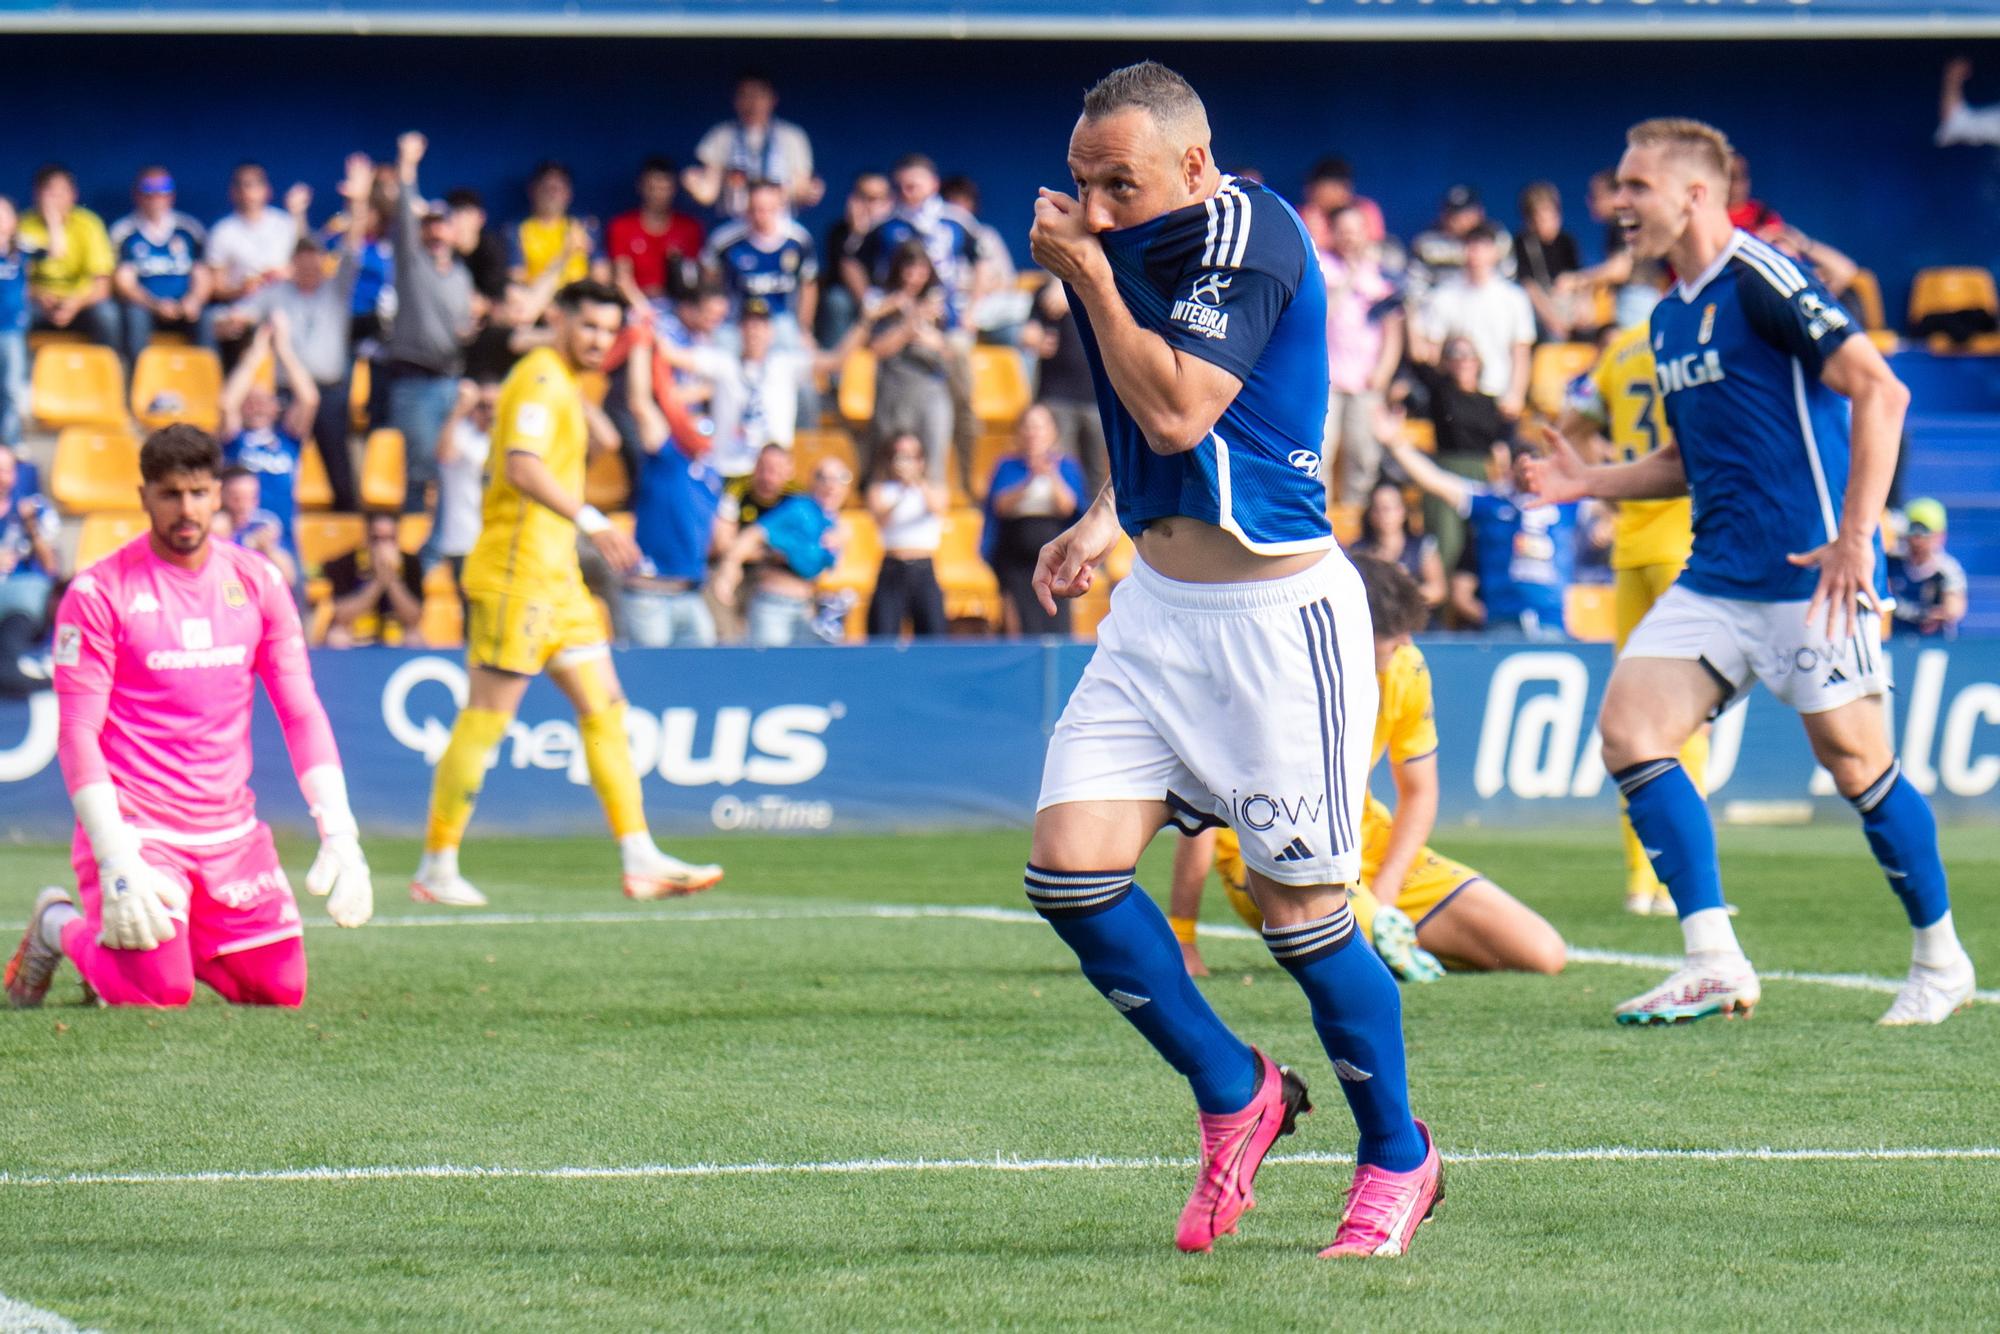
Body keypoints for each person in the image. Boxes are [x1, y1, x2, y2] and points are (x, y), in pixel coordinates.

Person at [1023, 61, 1439, 1260]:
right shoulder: (1121, 243)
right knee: (1069, 873)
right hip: (1155, 612)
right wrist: (1105, 515)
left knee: (1300, 916)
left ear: (1194, 165)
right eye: (1082, 183)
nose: (1094, 207)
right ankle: (1234, 1087)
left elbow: (1177, 410)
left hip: (1275, 621)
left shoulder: (1249, 234)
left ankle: (1396, 1155)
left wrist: (1086, 274)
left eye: (1120, 183)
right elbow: (1162, 424)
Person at [1523, 117, 1977, 1026]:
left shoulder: (1764, 277)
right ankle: (1713, 960)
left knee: (1858, 766)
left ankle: (1941, 959)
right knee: (1630, 731)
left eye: (1636, 187)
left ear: (1697, 194)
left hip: (1812, 574)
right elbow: (1689, 462)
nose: (1618, 204)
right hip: (1716, 577)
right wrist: (1588, 482)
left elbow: (1881, 389)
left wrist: (1857, 538)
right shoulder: (1667, 317)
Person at [4, 425, 373, 1011]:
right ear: (144, 496)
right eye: (171, 494)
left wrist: (341, 833)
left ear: (217, 494)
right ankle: (57, 925)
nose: (187, 509)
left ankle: (173, 939)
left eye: (199, 492)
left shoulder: (257, 581)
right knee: (159, 992)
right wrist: (114, 853)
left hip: (231, 834)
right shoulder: (100, 592)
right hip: (140, 833)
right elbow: (77, 733)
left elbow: (301, 711)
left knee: (280, 990)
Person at [412, 280, 722, 907]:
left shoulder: (562, 383)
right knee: (486, 718)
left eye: (609, 331)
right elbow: (522, 465)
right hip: (516, 576)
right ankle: (436, 867)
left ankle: (640, 856)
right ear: (559, 320)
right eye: (589, 327)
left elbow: (602, 443)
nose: (599, 341)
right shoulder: (539, 379)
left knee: (606, 709)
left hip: (558, 581)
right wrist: (594, 521)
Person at [1179, 555, 1566, 978]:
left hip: (1367, 849)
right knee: (1364, 944)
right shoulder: (1274, 679)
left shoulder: (1406, 667)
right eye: (1393, 636)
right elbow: (1207, 809)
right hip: (1271, 854)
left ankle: (1378, 933)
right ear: (1353, 628)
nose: (1406, 643)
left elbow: (1420, 792)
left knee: (1542, 952)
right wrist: (1183, 937)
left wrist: (1386, 891)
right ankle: (1368, 934)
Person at [1560, 319, 1704, 917]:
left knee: (1633, 720)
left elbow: (1570, 427)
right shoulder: (1690, 339)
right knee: (1686, 724)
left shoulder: (1619, 352)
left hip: (1631, 548)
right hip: (1685, 540)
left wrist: (1606, 484)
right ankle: (1681, 884)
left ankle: (1639, 882)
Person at [1388, 426, 1574, 639]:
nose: (1528, 473)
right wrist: (1395, 443)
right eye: (1522, 466)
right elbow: (1435, 481)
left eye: (1535, 466)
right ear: (1511, 467)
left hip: (1551, 622)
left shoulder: (1565, 501)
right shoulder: (1492, 501)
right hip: (1503, 621)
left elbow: (1598, 489)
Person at [382, 133, 475, 516]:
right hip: (414, 383)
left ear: (453, 231)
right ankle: (415, 544)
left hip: (450, 381)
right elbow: (404, 213)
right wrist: (408, 164)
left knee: (453, 469)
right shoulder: (412, 263)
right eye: (429, 226)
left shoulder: (462, 276)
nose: (435, 232)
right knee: (419, 472)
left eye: (442, 225)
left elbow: (462, 326)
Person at [622, 329, 725, 648]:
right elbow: (640, 403)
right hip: (650, 593)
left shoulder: (714, 473)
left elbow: (716, 538)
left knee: (705, 668)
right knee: (652, 674)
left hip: (689, 592)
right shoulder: (668, 453)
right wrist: (640, 346)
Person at [1395, 335, 1513, 573]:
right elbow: (1416, 358)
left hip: (1481, 474)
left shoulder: (1490, 402)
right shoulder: (1441, 392)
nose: (1462, 360)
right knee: (1446, 542)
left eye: (1467, 354)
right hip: (1446, 471)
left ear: (1477, 361)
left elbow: (1501, 446)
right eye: (1454, 354)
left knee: (1479, 542)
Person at [712, 459, 852, 647]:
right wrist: (729, 568)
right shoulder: (799, 509)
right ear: (813, 482)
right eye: (824, 478)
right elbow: (754, 534)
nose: (831, 486)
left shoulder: (832, 522)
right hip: (774, 606)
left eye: (840, 479)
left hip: (804, 608)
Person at [1319, 203, 1402, 505]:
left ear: (1366, 233)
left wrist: (1384, 371)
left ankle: (1357, 519)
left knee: (1363, 455)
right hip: (1326, 380)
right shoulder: (1321, 266)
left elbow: (1393, 329)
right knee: (1321, 453)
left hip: (1366, 381)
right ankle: (1318, 517)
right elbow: (1322, 315)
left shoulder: (1382, 274)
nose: (1349, 237)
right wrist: (1349, 279)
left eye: (1355, 231)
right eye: (1342, 231)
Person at [1411, 223, 1534, 419]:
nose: (1475, 253)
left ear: (1495, 252)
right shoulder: (1443, 296)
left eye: (1482, 246)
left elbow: (1521, 353)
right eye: (1470, 245)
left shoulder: (1515, 298)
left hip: (1499, 396)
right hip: (1456, 401)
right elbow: (1433, 354)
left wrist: (1516, 395)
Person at [982, 403, 1085, 636]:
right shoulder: (1007, 466)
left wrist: (1050, 474)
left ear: (1052, 432)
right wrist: (1030, 478)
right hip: (1016, 557)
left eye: (1039, 427)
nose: (1033, 433)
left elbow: (1069, 506)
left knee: (1055, 619)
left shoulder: (1066, 466)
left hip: (1054, 556)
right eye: (1028, 427)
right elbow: (999, 505)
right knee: (1019, 622)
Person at [866, 243, 957, 483]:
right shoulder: (886, 303)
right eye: (909, 269)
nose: (914, 277)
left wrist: (935, 341)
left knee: (933, 463)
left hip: (931, 389)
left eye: (921, 270)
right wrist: (910, 325)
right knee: (891, 462)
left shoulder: (939, 303)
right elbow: (878, 349)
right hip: (895, 390)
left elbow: (950, 352)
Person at [109, 166, 213, 368]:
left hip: (184, 307)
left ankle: (208, 378)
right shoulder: (124, 231)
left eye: (164, 188)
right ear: (137, 194)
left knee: (205, 317)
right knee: (135, 315)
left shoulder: (188, 229)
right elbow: (124, 283)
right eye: (148, 189)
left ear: (172, 194)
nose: (156, 195)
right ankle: (138, 380)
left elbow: (202, 273)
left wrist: (194, 299)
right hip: (145, 306)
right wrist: (155, 305)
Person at [684, 71, 824, 219]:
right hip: (735, 222)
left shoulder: (792, 136)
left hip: (779, 224)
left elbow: (800, 189)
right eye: (745, 96)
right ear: (735, 100)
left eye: (759, 96)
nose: (752, 103)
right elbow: (708, 193)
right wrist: (694, 184)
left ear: (773, 99)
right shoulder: (720, 135)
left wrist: (810, 192)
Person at [703, 178, 819, 349]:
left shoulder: (798, 239)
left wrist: (805, 329)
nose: (761, 216)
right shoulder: (724, 240)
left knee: (800, 350)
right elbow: (709, 282)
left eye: (768, 209)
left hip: (780, 321)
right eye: (755, 209)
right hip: (736, 321)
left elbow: (808, 286)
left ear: (780, 206)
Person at [1024, 279, 1109, 497]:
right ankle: (1070, 516)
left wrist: (1073, 294)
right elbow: (1029, 334)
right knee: (1062, 468)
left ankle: (1093, 516)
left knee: (1098, 473)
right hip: (1057, 395)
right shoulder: (1048, 290)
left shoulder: (1100, 284)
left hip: (1096, 397)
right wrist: (1037, 341)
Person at [19, 165, 119, 348]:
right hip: (39, 303)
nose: (56, 199)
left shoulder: (89, 224)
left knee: (107, 314)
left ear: (74, 194)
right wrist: (39, 295)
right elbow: (15, 281)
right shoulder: (23, 225)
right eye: (50, 192)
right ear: (37, 194)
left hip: (81, 302)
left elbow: (103, 285)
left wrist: (76, 303)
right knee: (14, 312)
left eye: (62, 192)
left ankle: (112, 364)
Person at [865, 432, 949, 639]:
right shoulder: (880, 490)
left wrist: (917, 482)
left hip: (923, 568)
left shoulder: (933, 488)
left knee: (933, 635)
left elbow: (937, 508)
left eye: (911, 457)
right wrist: (902, 492)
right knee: (883, 634)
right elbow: (881, 519)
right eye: (899, 456)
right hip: (892, 567)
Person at [607, 156, 704, 306]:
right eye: (652, 188)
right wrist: (643, 309)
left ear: (674, 189)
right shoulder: (622, 226)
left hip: (680, 307)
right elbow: (622, 278)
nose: (658, 195)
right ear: (641, 186)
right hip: (635, 305)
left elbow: (695, 279)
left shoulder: (689, 227)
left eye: (664, 188)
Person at [206, 163, 303, 312]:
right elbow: (216, 288)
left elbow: (306, 267)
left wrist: (285, 275)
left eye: (256, 184)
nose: (249, 192)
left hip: (286, 305)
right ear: (233, 192)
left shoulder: (286, 224)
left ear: (267, 190)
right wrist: (242, 289)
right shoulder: (222, 231)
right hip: (242, 308)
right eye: (244, 186)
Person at [324, 511, 424, 647]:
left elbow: (414, 618)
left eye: (389, 539)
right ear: (366, 539)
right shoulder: (345, 562)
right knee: (337, 636)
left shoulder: (410, 563)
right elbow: (341, 615)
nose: (382, 546)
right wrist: (378, 582)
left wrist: (391, 579)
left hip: (395, 634)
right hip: (356, 634)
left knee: (415, 637)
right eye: (376, 539)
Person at [818, 170, 892, 347]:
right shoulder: (839, 232)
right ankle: (835, 362)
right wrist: (857, 235)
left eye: (875, 199)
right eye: (863, 197)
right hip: (855, 302)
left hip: (889, 299)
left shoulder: (895, 231)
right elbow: (841, 268)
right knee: (837, 300)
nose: (868, 205)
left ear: (888, 201)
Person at [433, 378, 494, 592]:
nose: (491, 413)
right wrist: (460, 409)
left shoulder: (507, 440)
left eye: (496, 406)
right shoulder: (463, 435)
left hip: (495, 542)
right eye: (483, 406)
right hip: (464, 542)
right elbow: (444, 455)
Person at [1347, 479, 1443, 615]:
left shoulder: (1422, 545)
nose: (1383, 515)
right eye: (1377, 509)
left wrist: (1403, 593)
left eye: (1389, 508)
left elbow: (1438, 590)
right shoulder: (1358, 551)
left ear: (1403, 511)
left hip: (1414, 618)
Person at [1887, 498, 1967, 640]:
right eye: (1913, 533)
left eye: (1924, 534)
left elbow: (1954, 610)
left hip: (1934, 642)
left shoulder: (1947, 570)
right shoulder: (1893, 562)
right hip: (1896, 640)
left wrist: (1928, 614)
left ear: (1940, 536)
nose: (1917, 541)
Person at [509, 161, 596, 291]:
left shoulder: (586, 225)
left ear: (568, 193)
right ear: (532, 190)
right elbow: (516, 281)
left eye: (557, 188)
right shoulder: (514, 230)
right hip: (537, 296)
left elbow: (601, 276)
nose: (552, 195)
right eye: (546, 188)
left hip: (580, 297)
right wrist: (566, 254)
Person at [1513, 182, 1583, 342]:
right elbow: (1529, 287)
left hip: (1568, 308)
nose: (1548, 223)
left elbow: (1579, 278)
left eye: (1552, 216)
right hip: (1541, 313)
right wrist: (1553, 321)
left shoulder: (1567, 241)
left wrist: (1581, 307)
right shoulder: (1523, 243)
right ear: (1529, 221)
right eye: (1541, 219)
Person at [0, 442, 59, 630]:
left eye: (5, 471)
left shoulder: (34, 509)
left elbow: (50, 567)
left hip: (20, 599)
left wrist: (32, 527)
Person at [0, 199, 31, 447]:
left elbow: (56, 251)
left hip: (11, 331)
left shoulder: (20, 251)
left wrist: (53, 219)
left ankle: (10, 442)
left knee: (11, 387)